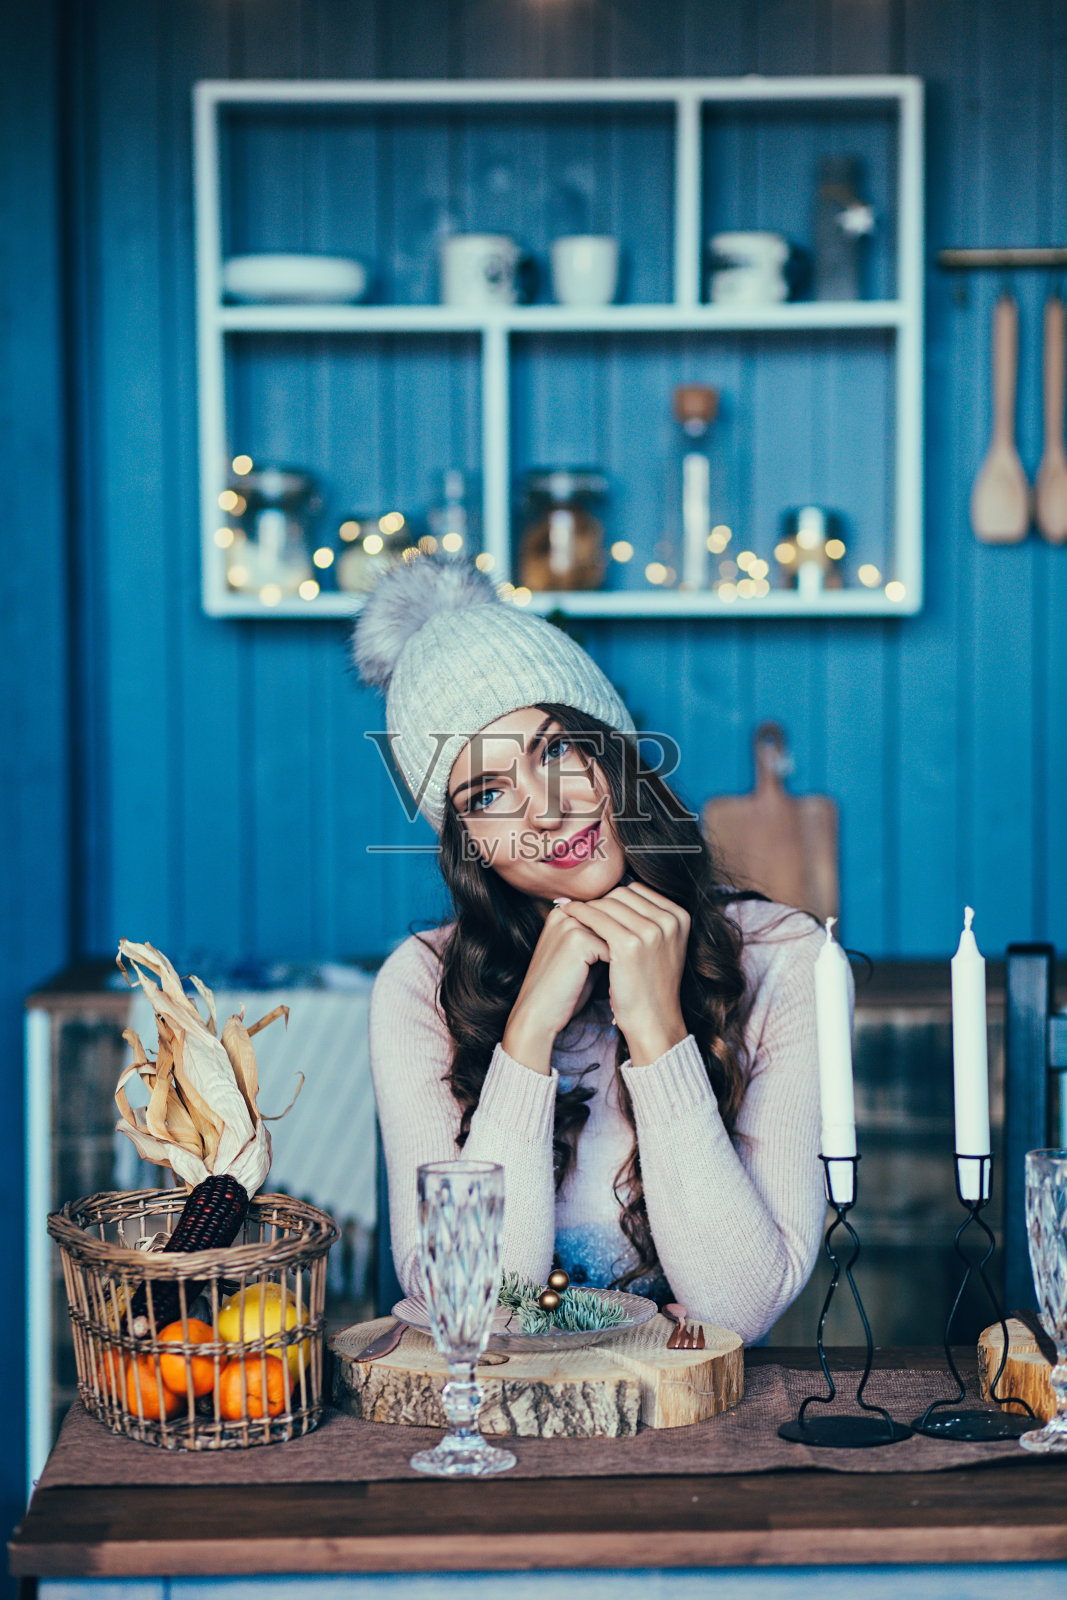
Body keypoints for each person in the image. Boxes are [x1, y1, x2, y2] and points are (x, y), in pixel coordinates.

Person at [353, 552, 837, 1344]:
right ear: (469, 844)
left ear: (612, 752)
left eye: (554, 753)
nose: (543, 813)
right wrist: (526, 1037)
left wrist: (656, 1030)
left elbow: (738, 1313)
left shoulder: (781, 957)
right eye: (487, 794)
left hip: (708, 1414)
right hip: (494, 1411)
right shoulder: (420, 985)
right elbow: (471, 1313)